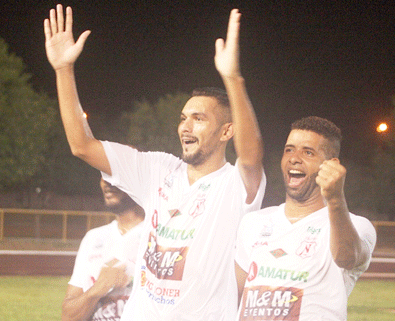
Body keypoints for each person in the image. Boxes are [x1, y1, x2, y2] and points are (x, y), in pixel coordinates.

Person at [44, 5, 265, 320]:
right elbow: (82, 146)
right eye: (183, 118)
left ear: (227, 131)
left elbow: (252, 153)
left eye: (199, 119)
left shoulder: (235, 185)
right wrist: (63, 70)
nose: (185, 127)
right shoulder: (159, 170)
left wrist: (233, 79)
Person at [234, 116, 377, 321]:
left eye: (307, 152)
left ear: (331, 165)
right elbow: (234, 296)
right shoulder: (253, 222)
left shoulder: (356, 225)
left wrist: (335, 198)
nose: (294, 158)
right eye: (289, 150)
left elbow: (347, 257)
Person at [62, 178, 145, 321]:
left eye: (115, 175)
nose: (107, 182)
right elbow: (68, 317)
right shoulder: (93, 238)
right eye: (103, 175)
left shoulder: (161, 236)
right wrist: (98, 288)